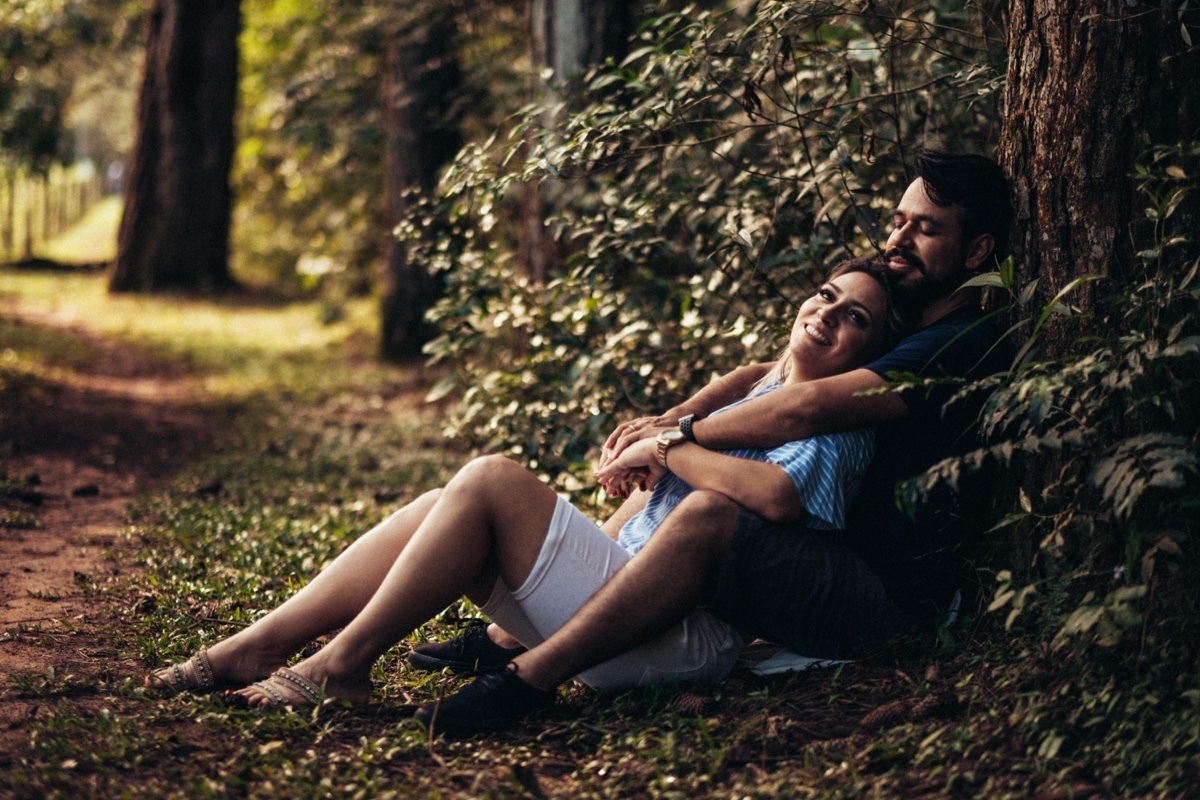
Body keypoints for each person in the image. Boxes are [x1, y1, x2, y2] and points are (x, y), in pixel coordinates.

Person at [411, 149, 1013, 736]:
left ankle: (528, 680)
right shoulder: (917, 322)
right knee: (672, 482)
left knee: (708, 506)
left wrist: (675, 438)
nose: (899, 240)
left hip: (882, 603)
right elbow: (767, 375)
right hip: (829, 561)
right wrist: (675, 418)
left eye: (927, 229)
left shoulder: (961, 339)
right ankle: (514, 634)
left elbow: (803, 407)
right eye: (899, 221)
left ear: (977, 251)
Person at [148, 260, 904, 724]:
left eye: (855, 319)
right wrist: (653, 460)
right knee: (442, 506)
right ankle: (261, 645)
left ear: (872, 353)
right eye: (825, 294)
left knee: (490, 478)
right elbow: (658, 510)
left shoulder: (838, 422)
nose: (827, 315)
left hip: (680, 641)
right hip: (629, 614)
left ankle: (338, 667)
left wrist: (669, 448)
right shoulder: (757, 391)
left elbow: (774, 499)